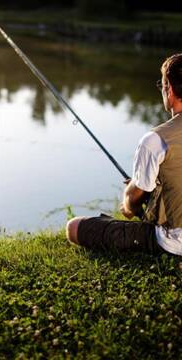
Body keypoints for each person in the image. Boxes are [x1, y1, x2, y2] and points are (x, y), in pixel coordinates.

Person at [66, 53, 182, 256]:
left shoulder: (155, 140)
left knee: (74, 227)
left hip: (173, 243)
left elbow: (132, 200)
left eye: (162, 85)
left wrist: (128, 205)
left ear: (169, 90)